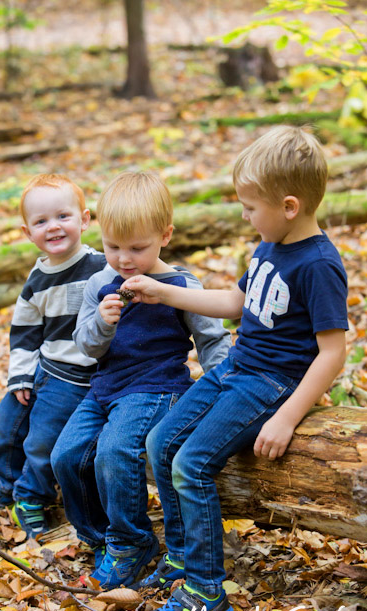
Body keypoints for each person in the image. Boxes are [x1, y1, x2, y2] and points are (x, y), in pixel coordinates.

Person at [122, 126, 348, 611]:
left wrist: (287, 418)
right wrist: (165, 292)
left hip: (271, 383)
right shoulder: (270, 245)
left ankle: (208, 590)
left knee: (192, 464)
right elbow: (235, 304)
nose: (244, 216)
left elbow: (333, 353)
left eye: (250, 207)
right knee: (161, 444)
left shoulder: (317, 264)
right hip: (235, 368)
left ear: (289, 206)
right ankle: (182, 555)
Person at [50, 171, 231, 589]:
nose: (124, 259)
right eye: (113, 247)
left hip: (156, 388)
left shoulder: (182, 285)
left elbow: (212, 340)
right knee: (65, 455)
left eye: (138, 248)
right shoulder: (99, 282)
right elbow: (86, 347)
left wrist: (225, 388)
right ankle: (99, 537)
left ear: (165, 235)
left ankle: (130, 542)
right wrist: (102, 322)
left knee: (114, 452)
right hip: (105, 389)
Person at [0, 173, 107, 538]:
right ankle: (6, 482)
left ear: (84, 219)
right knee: (7, 423)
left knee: (43, 438)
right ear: (27, 232)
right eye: (41, 221)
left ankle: (32, 497)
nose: (54, 227)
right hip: (43, 366)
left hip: (76, 375)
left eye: (63, 216)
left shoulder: (101, 268)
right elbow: (24, 332)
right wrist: (20, 375)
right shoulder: (38, 277)